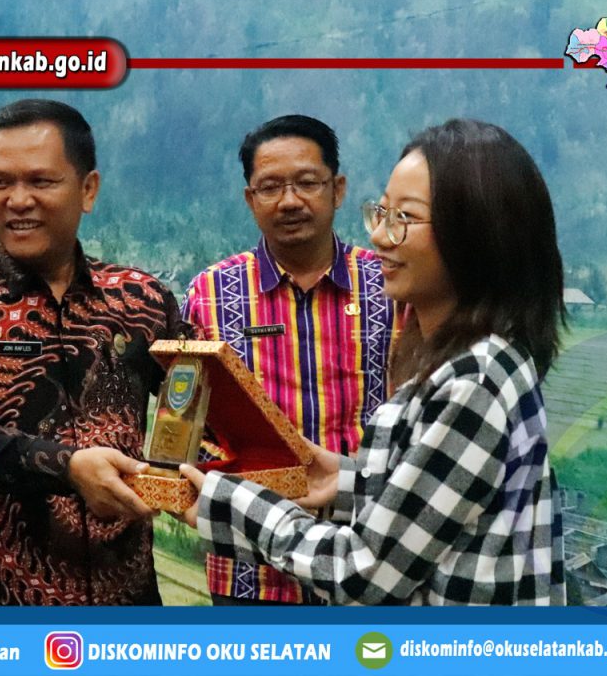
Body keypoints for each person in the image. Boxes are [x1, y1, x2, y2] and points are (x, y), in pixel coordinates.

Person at [180, 119, 567, 605]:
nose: (382, 236)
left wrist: (228, 502)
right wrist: (347, 480)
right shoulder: (476, 361)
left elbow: (363, 574)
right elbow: (433, 498)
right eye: (383, 213)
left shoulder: (474, 379)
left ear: (475, 233)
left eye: (405, 217)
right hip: (254, 584)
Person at [0, 99, 188, 605]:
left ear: (88, 189)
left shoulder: (141, 299)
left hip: (127, 600)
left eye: (41, 181)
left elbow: (204, 400)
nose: (18, 200)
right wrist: (67, 467)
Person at [181, 115, 399, 605]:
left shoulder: (387, 286)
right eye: (271, 187)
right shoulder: (210, 294)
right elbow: (189, 424)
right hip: (249, 570)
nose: (290, 201)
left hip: (367, 561)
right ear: (250, 199)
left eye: (307, 183)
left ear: (337, 189)